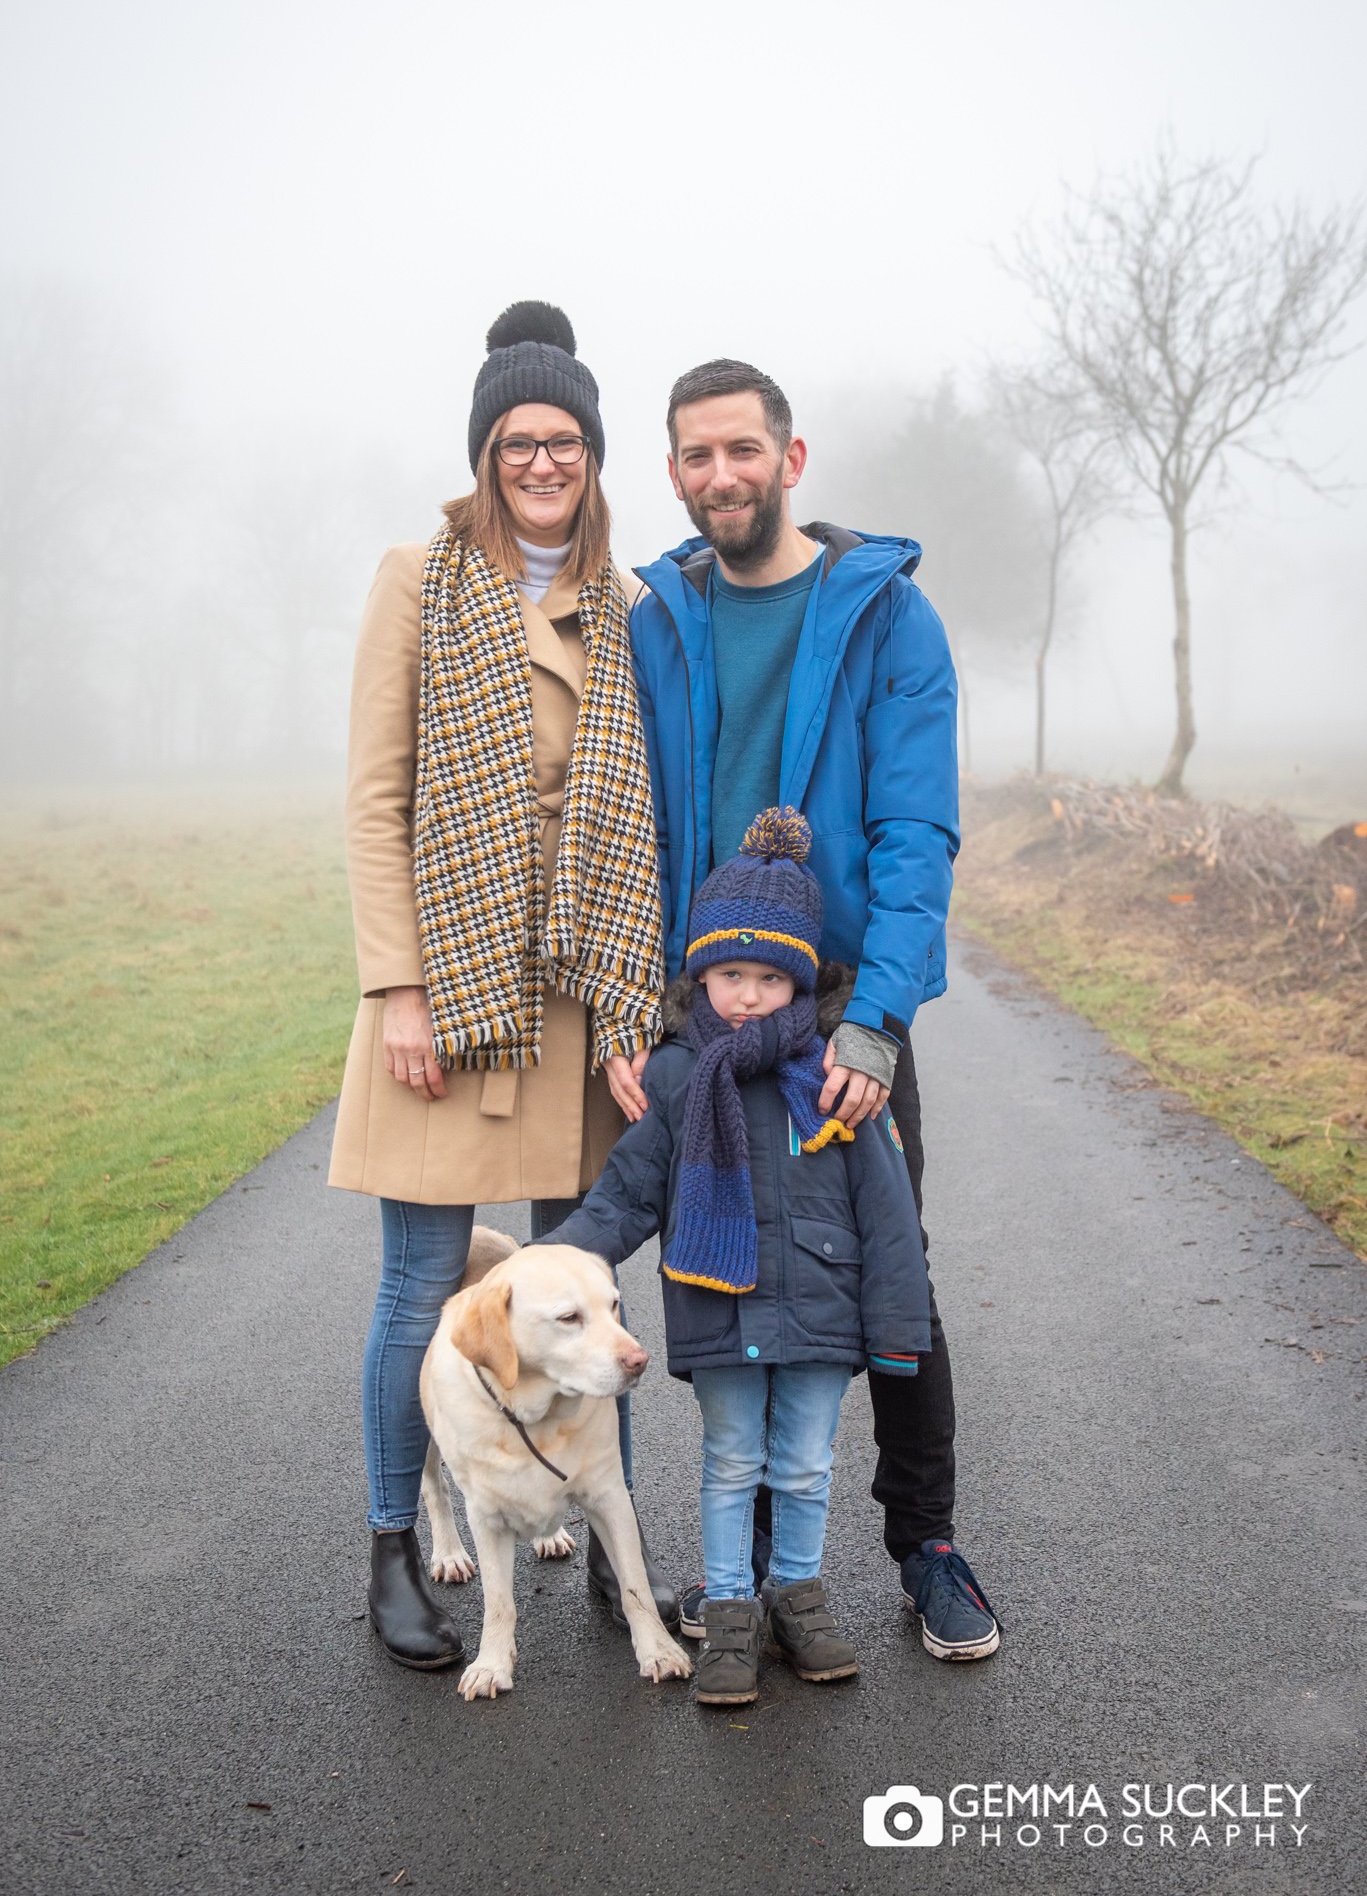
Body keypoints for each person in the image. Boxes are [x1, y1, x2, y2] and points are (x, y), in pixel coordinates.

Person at [615, 357, 1000, 1662]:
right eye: (692, 455)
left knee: (888, 1263)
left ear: (789, 458)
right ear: (670, 471)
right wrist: (640, 1006)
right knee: (736, 1276)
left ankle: (926, 1546)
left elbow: (913, 831)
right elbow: (628, 822)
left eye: (740, 449)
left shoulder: (888, 617)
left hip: (839, 1003)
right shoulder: (652, 616)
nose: (717, 474)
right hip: (700, 1006)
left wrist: (876, 1019)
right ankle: (765, 1576)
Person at [328, 301, 679, 1670]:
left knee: (578, 1287)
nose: (542, 461)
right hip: (446, 993)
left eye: (565, 440)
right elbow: (372, 803)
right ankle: (393, 1549)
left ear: (592, 454)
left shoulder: (632, 604)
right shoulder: (417, 577)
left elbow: (652, 801)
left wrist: (642, 1003)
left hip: (579, 995)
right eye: (517, 440)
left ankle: (609, 1559)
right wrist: (395, 989)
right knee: (421, 1293)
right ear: (485, 452)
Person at [542, 809, 933, 1705]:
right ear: (701, 976)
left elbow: (887, 1215)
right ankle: (729, 1616)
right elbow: (627, 1195)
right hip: (718, 1304)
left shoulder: (833, 1078)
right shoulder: (681, 1076)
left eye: (767, 977)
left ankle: (797, 1595)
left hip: (822, 1313)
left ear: (798, 982)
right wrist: (546, 1264)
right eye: (728, 975)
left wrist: (897, 1329)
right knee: (729, 1462)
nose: (747, 996)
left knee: (802, 1463)